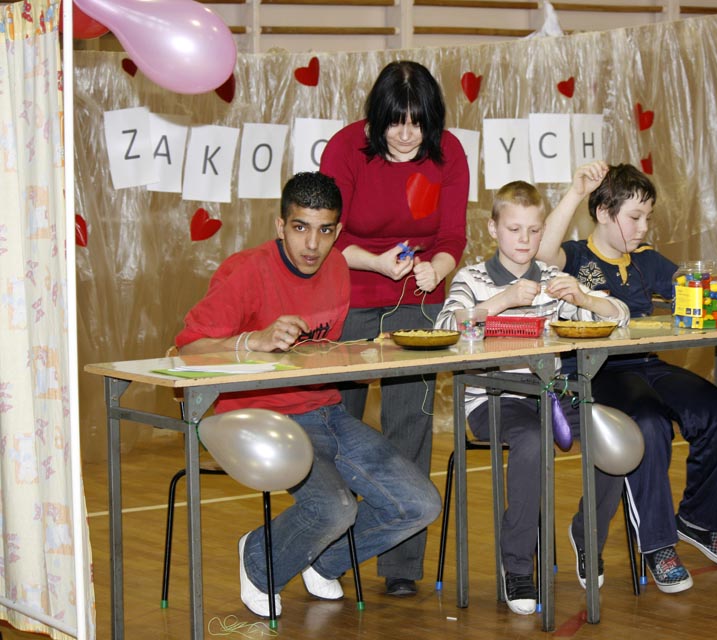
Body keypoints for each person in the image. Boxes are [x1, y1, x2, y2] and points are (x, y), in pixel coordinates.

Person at [174, 172, 441, 618]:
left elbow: (316, 350)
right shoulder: (246, 270)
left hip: (324, 410)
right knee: (334, 508)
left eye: (325, 230)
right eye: (300, 228)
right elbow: (188, 348)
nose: (313, 244)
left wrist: (359, 357)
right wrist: (252, 341)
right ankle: (260, 556)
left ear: (338, 231)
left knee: (420, 504)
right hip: (259, 416)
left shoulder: (337, 267)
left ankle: (321, 560)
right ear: (280, 226)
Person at [537, 162, 717, 594]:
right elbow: (541, 255)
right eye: (634, 217)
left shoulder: (647, 260)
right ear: (603, 212)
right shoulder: (575, 256)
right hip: (596, 371)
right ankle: (657, 544)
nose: (642, 227)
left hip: (647, 365)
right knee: (649, 425)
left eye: (647, 217)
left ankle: (698, 520)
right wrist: (576, 191)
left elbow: (689, 285)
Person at [435, 180, 629, 614]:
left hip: (550, 395)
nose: (524, 240)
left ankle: (587, 535)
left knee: (613, 438)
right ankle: (519, 566)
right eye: (514, 229)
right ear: (493, 229)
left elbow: (620, 318)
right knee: (531, 440)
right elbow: (445, 328)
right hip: (492, 398)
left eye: (534, 230)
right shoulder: (472, 279)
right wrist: (500, 302)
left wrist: (584, 298)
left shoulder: (553, 280)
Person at [319, 59, 468, 596]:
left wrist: (438, 269)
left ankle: (401, 564)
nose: (406, 134)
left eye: (417, 123)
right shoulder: (344, 149)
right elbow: (328, 234)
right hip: (351, 296)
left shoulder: (449, 153)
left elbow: (452, 236)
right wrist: (376, 263)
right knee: (336, 424)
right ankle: (325, 551)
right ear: (376, 118)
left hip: (417, 303)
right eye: (395, 122)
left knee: (410, 426)